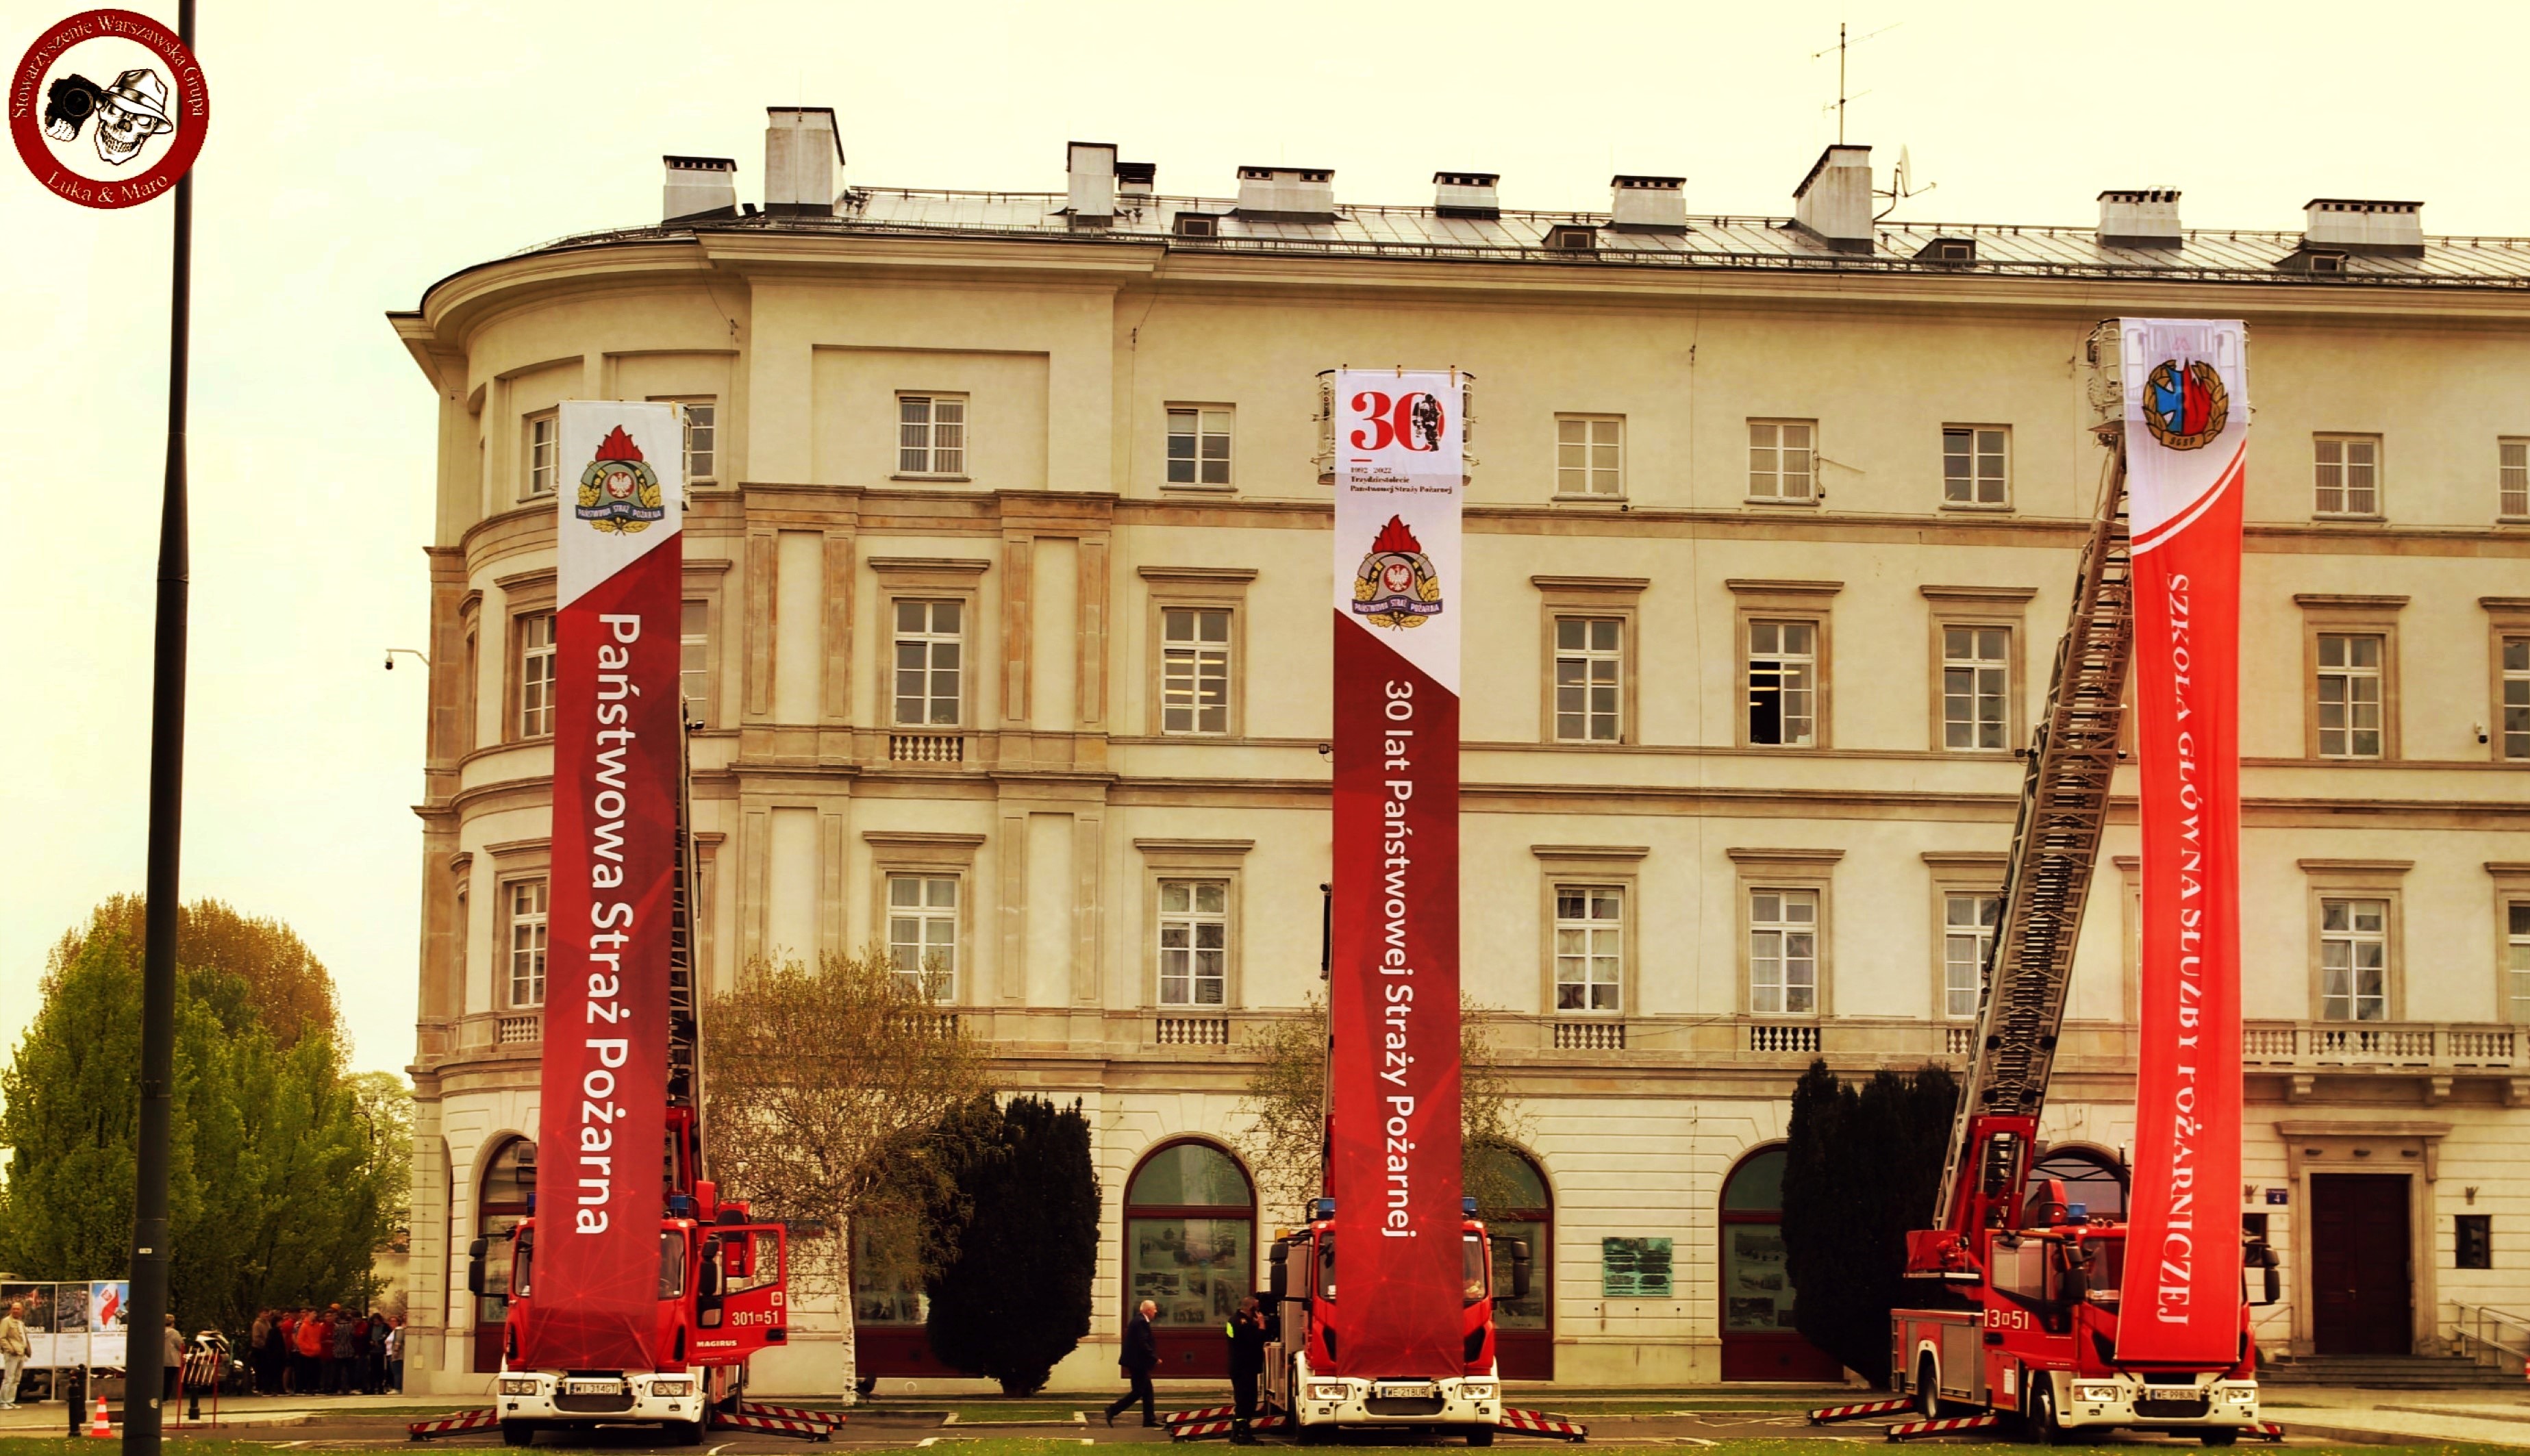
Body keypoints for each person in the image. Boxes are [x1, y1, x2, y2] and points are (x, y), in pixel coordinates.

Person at [1103, 1299, 1160, 1428]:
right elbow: (1142, 1342)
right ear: (1148, 1310)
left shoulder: (1139, 1320)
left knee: (1147, 1391)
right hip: (1137, 1363)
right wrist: (1154, 1357)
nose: (1156, 1311)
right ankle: (1113, 1409)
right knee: (1139, 1391)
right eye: (1155, 1309)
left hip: (1137, 1362)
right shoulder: (1141, 1322)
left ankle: (1149, 1420)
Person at [1224, 1296, 1268, 1444]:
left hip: (1241, 1367)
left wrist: (1253, 1325)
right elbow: (1254, 1341)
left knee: (1245, 1402)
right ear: (1252, 1309)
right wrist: (1261, 1325)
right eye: (1257, 1308)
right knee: (1246, 1403)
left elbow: (1237, 1339)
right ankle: (1242, 1433)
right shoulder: (1242, 1323)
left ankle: (1238, 1432)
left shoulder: (1234, 1320)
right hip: (1244, 1368)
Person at [0, 1299, 29, 1410]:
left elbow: (23, 1338)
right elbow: (2, 1338)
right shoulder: (6, 1321)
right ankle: (3, 1402)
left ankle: (10, 1401)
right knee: (9, 1378)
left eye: (18, 1309)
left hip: (21, 1353)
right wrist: (11, 1349)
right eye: (14, 1309)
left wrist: (26, 1350)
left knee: (16, 1379)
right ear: (11, 1310)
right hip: (12, 1354)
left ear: (22, 1310)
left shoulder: (20, 1323)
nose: (16, 1311)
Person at [328, 1305, 355, 1394]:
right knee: (350, 1371)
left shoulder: (336, 1327)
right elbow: (352, 1337)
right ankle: (351, 1387)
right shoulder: (350, 1326)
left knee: (337, 1371)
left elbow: (335, 1337)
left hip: (339, 1350)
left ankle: (336, 1388)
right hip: (349, 1350)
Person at [162, 1313, 184, 1406]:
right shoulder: (175, 1333)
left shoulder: (157, 1331)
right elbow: (181, 1345)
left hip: (159, 1360)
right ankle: (165, 1398)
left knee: (160, 1380)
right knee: (169, 1380)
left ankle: (158, 1397)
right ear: (172, 1323)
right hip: (172, 1360)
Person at [383, 1317, 405, 1394]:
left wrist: (396, 1350)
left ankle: (398, 1388)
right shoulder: (392, 1332)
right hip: (389, 1354)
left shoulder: (399, 1329)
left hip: (396, 1355)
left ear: (398, 1322)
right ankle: (395, 1386)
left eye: (394, 1321)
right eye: (390, 1321)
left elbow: (398, 1340)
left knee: (397, 1372)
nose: (392, 1323)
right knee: (393, 1372)